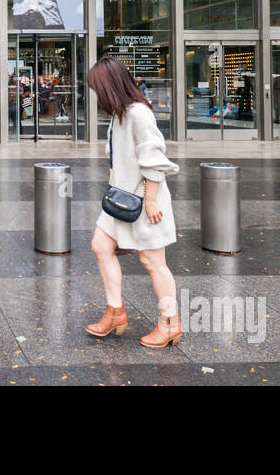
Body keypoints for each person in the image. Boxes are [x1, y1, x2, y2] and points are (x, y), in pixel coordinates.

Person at [85, 55, 181, 346]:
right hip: (120, 198)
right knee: (101, 245)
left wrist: (151, 201)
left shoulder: (139, 113)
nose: (95, 94)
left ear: (110, 86)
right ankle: (115, 311)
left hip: (143, 201)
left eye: (97, 87)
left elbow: (154, 160)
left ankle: (170, 323)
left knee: (153, 263)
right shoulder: (120, 113)